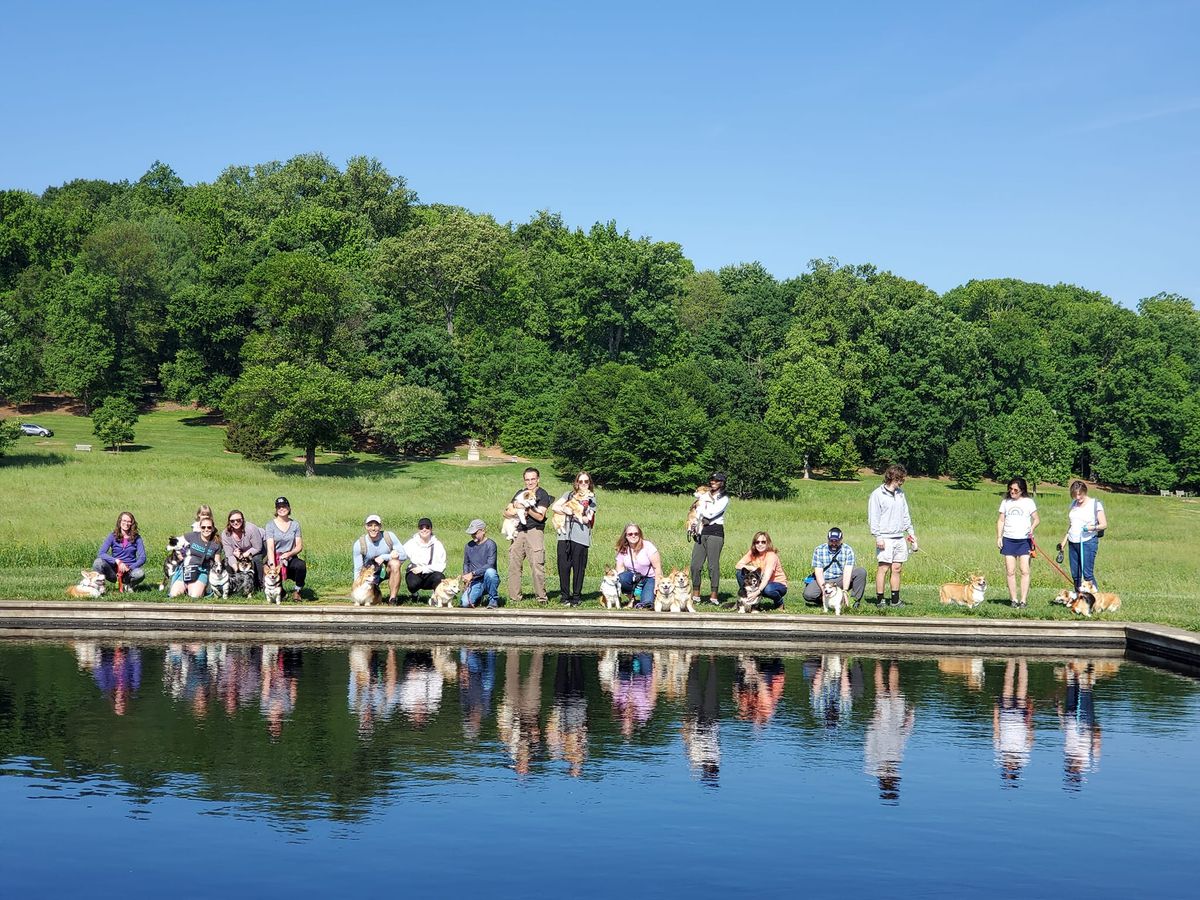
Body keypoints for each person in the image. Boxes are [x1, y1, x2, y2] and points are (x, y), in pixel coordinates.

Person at [867, 464, 919, 608]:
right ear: (893, 477)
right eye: (900, 479)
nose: (902, 482)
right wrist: (878, 536)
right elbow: (873, 517)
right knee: (883, 568)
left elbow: (905, 515)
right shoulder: (877, 494)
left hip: (899, 537)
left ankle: (895, 600)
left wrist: (911, 533)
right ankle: (880, 599)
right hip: (884, 537)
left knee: (897, 568)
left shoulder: (900, 494)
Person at [505, 467, 553, 604]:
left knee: (537, 565)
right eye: (527, 479)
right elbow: (506, 512)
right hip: (518, 531)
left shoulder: (542, 494)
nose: (530, 482)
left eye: (533, 479)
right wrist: (515, 512)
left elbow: (540, 516)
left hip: (534, 531)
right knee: (514, 565)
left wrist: (525, 508)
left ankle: (541, 598)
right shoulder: (520, 493)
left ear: (538, 479)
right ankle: (514, 598)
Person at [553, 471, 597, 607]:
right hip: (564, 535)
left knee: (578, 568)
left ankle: (576, 596)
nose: (583, 484)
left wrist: (575, 514)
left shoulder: (591, 499)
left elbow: (587, 519)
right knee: (563, 566)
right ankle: (565, 596)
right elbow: (555, 507)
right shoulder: (568, 495)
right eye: (581, 481)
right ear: (576, 483)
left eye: (586, 481)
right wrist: (568, 511)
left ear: (589, 483)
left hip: (581, 536)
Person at [997, 478, 1040, 608]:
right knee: (1010, 571)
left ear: (1022, 490)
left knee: (1024, 570)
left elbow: (1037, 519)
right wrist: (999, 537)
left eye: (1016, 490)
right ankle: (1013, 599)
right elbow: (1001, 521)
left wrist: (1031, 529)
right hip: (1009, 539)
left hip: (1024, 541)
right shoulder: (1005, 502)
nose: (1012, 492)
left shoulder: (1028, 502)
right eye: (1010, 489)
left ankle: (1023, 600)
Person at [1059, 480, 1107, 591]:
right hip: (1073, 541)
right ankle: (1079, 599)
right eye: (1075, 495)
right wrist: (1064, 541)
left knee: (1087, 574)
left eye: (1080, 494)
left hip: (1088, 541)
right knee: (1076, 574)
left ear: (1085, 491)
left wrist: (1092, 528)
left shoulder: (1095, 504)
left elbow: (1104, 524)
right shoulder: (1073, 504)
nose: (1077, 497)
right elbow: (1072, 525)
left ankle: (1094, 600)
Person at [690, 473, 730, 606]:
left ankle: (714, 595)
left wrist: (701, 509)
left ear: (722, 482)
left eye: (716, 480)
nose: (713, 482)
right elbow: (695, 511)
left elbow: (711, 513)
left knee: (713, 565)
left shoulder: (724, 498)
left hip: (715, 532)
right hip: (701, 531)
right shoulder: (704, 496)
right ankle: (696, 594)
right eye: (711, 480)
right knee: (695, 565)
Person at [803, 527, 868, 607]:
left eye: (836, 541)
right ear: (828, 539)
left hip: (840, 578)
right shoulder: (819, 550)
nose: (834, 544)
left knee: (861, 572)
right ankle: (824, 600)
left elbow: (847, 572)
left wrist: (845, 590)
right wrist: (824, 590)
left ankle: (854, 601)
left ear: (841, 540)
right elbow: (818, 572)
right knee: (808, 594)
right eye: (831, 541)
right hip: (824, 579)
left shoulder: (848, 550)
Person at [353, 514, 406, 605]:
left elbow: (404, 555)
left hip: (385, 570)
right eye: (370, 525)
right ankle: (367, 596)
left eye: (376, 525)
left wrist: (384, 557)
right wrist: (356, 586)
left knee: (395, 563)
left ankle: (392, 599)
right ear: (366, 527)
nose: (373, 528)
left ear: (380, 526)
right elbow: (358, 569)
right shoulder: (359, 544)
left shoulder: (389, 537)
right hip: (370, 573)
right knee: (370, 601)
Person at [169, 515, 222, 598]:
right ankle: (185, 587)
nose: (206, 529)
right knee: (174, 595)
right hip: (187, 569)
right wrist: (179, 554)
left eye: (209, 527)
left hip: (202, 571)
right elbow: (176, 543)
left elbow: (217, 562)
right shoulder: (192, 536)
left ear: (212, 528)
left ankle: (199, 587)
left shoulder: (216, 544)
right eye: (203, 527)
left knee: (195, 596)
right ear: (200, 528)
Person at [264, 496, 306, 602]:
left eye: (284, 506)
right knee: (271, 576)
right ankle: (278, 592)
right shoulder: (270, 525)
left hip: (289, 557)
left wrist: (289, 554)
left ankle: (297, 591)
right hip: (275, 556)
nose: (281, 509)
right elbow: (270, 547)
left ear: (289, 508)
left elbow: (299, 546)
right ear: (276, 509)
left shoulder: (295, 525)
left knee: (301, 565)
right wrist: (273, 565)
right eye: (279, 507)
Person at [733, 531, 789, 609]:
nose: (760, 544)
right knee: (739, 573)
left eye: (763, 542)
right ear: (754, 544)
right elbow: (738, 565)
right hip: (761, 580)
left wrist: (757, 592)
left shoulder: (771, 556)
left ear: (768, 543)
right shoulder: (752, 553)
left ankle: (779, 602)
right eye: (757, 542)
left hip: (776, 583)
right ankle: (745, 599)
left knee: (767, 589)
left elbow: (766, 578)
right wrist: (752, 568)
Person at [93, 511, 146, 591]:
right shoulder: (112, 536)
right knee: (98, 562)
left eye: (129, 521)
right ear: (120, 522)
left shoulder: (137, 538)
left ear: (132, 523)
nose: (126, 523)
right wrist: (117, 561)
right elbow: (101, 553)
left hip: (129, 572)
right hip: (114, 572)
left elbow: (142, 557)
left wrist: (130, 567)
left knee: (140, 573)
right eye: (124, 521)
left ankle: (129, 586)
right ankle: (101, 587)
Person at [615, 523, 663, 609]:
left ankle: (648, 596)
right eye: (630, 534)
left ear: (640, 534)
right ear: (625, 535)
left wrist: (657, 585)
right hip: (633, 578)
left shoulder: (648, 546)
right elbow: (620, 569)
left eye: (636, 533)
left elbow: (657, 568)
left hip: (650, 578)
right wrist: (620, 585)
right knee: (621, 578)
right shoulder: (623, 549)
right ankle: (632, 599)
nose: (633, 536)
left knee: (646, 604)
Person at [403, 517, 447, 602]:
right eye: (421, 527)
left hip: (431, 573)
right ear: (418, 529)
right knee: (412, 584)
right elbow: (402, 554)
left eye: (427, 527)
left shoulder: (437, 545)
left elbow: (441, 566)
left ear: (431, 529)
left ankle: (435, 597)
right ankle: (414, 594)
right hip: (415, 572)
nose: (424, 529)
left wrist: (423, 569)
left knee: (439, 577)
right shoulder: (412, 542)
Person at [221, 509, 265, 589]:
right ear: (229, 522)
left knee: (256, 559)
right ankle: (232, 586)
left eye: (238, 520)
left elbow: (257, 547)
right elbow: (229, 555)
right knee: (228, 562)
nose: (235, 522)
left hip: (259, 546)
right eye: (232, 521)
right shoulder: (225, 534)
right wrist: (236, 569)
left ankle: (259, 585)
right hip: (238, 552)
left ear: (243, 520)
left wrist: (241, 556)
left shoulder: (251, 528)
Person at [462, 518, 500, 609]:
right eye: (472, 534)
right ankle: (477, 598)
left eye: (475, 533)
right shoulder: (468, 546)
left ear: (483, 531)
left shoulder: (491, 545)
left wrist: (472, 573)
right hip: (475, 581)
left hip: (487, 578)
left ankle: (493, 600)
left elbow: (490, 564)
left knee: (490, 572)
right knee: (465, 603)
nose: (473, 535)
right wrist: (466, 575)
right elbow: (466, 563)